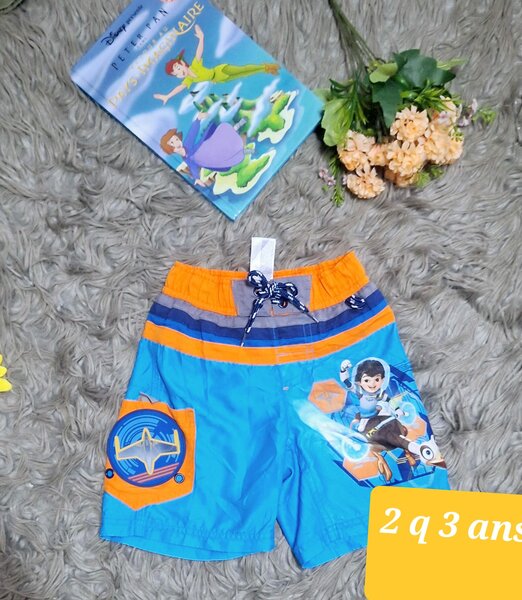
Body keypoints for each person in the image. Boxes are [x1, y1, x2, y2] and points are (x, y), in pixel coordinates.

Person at [153, 25, 279, 105]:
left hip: (221, 70)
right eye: (176, 73)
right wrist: (167, 96)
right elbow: (179, 88)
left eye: (178, 68)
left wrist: (201, 38)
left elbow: (198, 52)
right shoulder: (189, 79)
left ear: (182, 64)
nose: (179, 72)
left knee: (243, 69)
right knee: (244, 74)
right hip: (219, 79)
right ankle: (265, 69)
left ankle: (266, 67)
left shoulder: (194, 66)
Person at [159, 112, 245, 186]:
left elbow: (192, 133)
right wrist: (197, 178)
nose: (177, 143)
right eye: (172, 143)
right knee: (224, 156)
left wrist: (198, 120)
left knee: (222, 136)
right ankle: (243, 152)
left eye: (176, 139)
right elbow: (193, 167)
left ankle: (237, 126)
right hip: (209, 159)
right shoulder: (186, 159)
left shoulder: (187, 144)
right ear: (170, 149)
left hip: (207, 146)